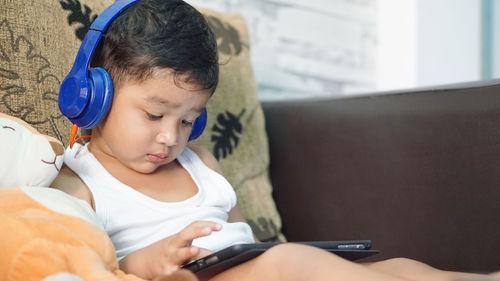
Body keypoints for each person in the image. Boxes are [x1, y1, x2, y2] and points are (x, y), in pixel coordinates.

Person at [52, 0, 499, 281]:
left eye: (189, 120)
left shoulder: (202, 164)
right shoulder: (81, 180)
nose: (171, 137)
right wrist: (147, 263)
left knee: (400, 268)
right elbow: (75, 266)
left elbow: (245, 237)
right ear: (92, 96)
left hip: (264, 269)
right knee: (286, 263)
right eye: (154, 114)